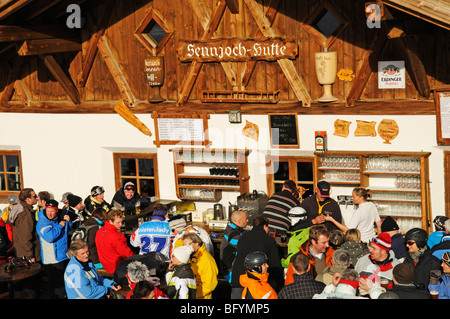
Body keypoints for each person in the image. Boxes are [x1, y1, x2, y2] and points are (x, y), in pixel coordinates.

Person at [231, 216, 283, 299]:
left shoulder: (243, 237)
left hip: (239, 278)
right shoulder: (269, 240)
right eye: (268, 227)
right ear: (265, 226)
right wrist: (280, 282)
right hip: (256, 282)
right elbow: (275, 263)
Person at [36, 199, 72, 299]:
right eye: (48, 210)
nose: (50, 213)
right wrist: (60, 226)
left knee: (62, 285)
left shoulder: (57, 218)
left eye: (52, 211)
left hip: (62, 256)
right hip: (52, 259)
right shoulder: (42, 222)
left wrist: (68, 222)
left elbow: (67, 231)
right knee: (57, 288)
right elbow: (50, 237)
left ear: (56, 210)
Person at [95, 209, 135, 274]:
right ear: (110, 221)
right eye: (118, 222)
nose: (121, 225)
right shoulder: (117, 236)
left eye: (122, 222)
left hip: (104, 264)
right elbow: (127, 254)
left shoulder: (99, 231)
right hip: (116, 266)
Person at [8, 188, 41, 263]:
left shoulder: (20, 208)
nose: (37, 198)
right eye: (34, 196)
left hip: (22, 252)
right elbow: (26, 237)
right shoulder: (25, 215)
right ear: (28, 199)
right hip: (26, 254)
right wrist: (30, 256)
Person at [182, 232, 218, 299]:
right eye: (184, 245)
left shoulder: (206, 260)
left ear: (197, 243)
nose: (185, 247)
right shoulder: (190, 256)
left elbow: (209, 285)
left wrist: (193, 294)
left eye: (188, 244)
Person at [219, 210, 248, 283]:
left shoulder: (235, 230)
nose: (247, 220)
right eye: (245, 219)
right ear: (239, 221)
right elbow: (245, 246)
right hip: (230, 271)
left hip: (232, 267)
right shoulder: (232, 234)